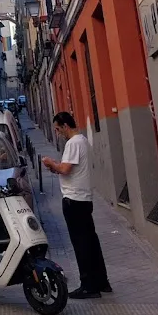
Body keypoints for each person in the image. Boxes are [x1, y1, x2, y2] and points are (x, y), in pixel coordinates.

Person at [43, 111, 111, 299]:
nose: (58, 133)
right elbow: (71, 169)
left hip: (74, 199)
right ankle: (102, 282)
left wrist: (51, 164)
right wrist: (58, 166)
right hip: (84, 198)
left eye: (58, 129)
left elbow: (65, 169)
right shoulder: (83, 141)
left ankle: (88, 285)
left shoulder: (72, 143)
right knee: (91, 241)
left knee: (81, 244)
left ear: (65, 126)